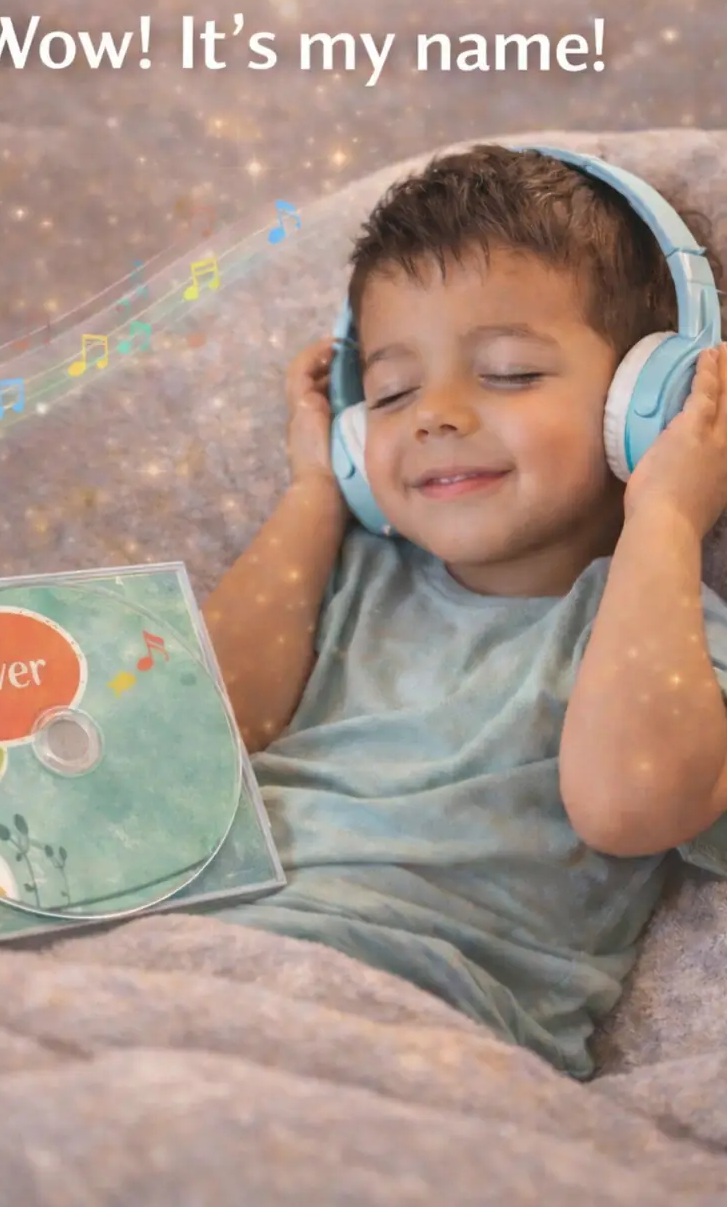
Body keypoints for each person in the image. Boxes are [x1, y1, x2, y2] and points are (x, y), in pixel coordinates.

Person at [200, 143, 727, 1080]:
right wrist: (315, 497)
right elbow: (197, 738)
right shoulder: (346, 576)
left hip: (419, 1023)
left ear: (649, 399)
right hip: (192, 957)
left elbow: (629, 804)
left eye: (511, 372)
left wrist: (668, 513)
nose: (435, 414)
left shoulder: (664, 631)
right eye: (394, 392)